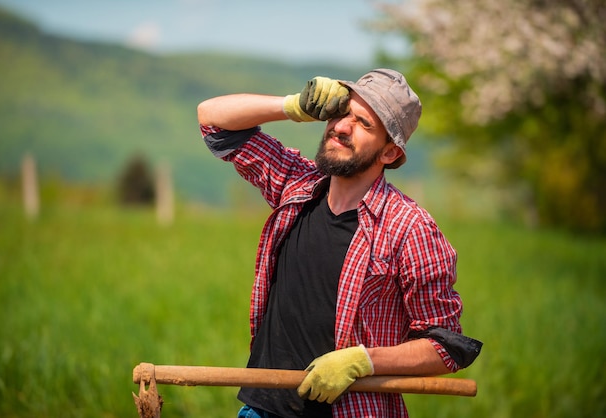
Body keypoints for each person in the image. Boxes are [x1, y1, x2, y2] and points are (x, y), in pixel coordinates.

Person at [197, 69, 482, 418]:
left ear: (389, 153)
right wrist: (293, 106)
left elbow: (447, 346)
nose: (342, 127)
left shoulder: (410, 228)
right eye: (341, 113)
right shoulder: (297, 185)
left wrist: (364, 361)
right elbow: (212, 121)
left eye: (364, 123)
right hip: (262, 410)